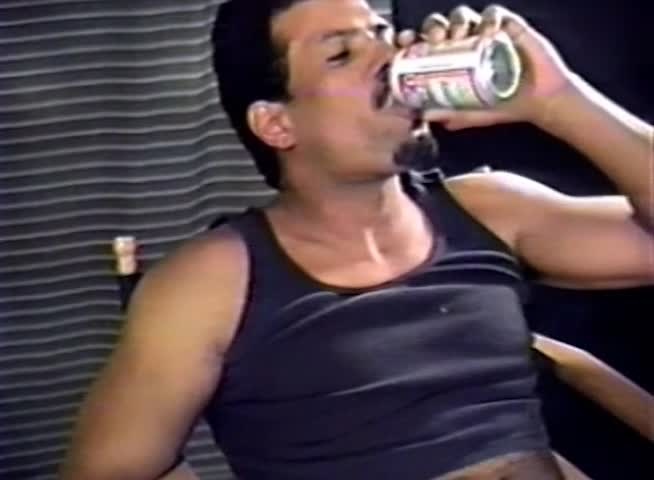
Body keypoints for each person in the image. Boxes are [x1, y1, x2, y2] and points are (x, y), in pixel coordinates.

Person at [60, 1, 654, 479]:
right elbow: (109, 469)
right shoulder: (214, 281)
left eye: (382, 33)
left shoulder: (485, 210)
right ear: (277, 123)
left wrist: (559, 99)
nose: (388, 56)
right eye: (343, 54)